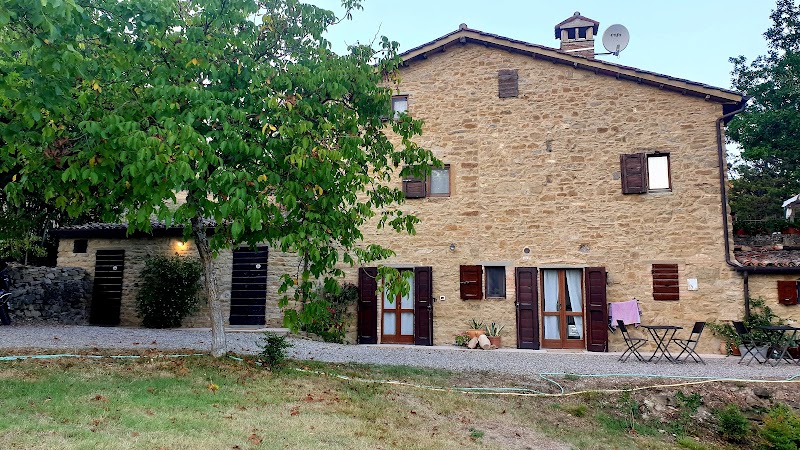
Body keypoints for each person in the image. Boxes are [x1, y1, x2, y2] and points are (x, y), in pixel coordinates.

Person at [0, 259, 11, 325]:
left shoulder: (3, 273)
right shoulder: (4, 272)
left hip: (2, 290)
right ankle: (6, 321)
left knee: (2, 305)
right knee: (3, 305)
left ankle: (6, 320)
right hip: (4, 290)